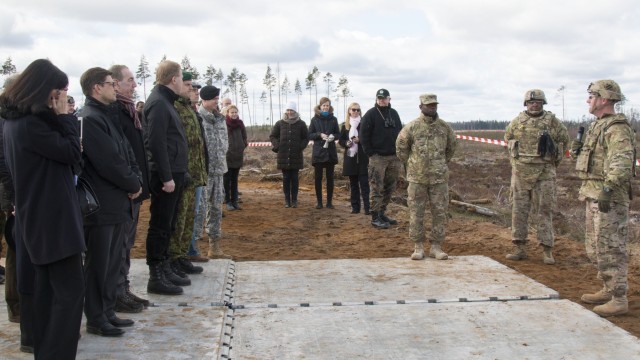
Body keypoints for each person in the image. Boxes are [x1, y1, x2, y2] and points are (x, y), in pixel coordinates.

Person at [0, 58, 85, 358]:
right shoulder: (33, 126)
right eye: (59, 91)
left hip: (39, 218)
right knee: (70, 293)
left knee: (49, 293)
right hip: (53, 221)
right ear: (43, 90)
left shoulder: (15, 122)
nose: (61, 98)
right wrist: (65, 119)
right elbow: (73, 153)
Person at [78, 67, 143, 337]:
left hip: (117, 202)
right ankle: (96, 317)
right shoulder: (90, 118)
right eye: (109, 84)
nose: (113, 88)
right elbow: (109, 162)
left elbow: (126, 152)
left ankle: (106, 311)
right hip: (103, 205)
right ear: (96, 88)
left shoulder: (106, 115)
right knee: (99, 263)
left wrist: (135, 178)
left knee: (112, 260)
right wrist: (132, 183)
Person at [571, 80, 635, 317]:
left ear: (604, 99)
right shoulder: (599, 125)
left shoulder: (616, 127)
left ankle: (619, 298)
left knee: (611, 247)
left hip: (608, 197)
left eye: (591, 96)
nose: (588, 100)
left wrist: (608, 189)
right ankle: (608, 288)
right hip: (593, 193)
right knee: (596, 246)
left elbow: (621, 161)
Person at [504, 89, 569, 265]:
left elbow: (564, 141)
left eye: (538, 103)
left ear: (543, 104)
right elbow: (508, 140)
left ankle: (547, 249)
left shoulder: (552, 121)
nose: (535, 105)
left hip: (544, 172)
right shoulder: (517, 122)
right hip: (521, 173)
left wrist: (553, 162)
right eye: (532, 102)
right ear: (526, 104)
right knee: (519, 211)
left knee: (544, 211)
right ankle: (519, 248)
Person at [143, 60, 189, 295]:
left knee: (168, 224)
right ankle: (156, 275)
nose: (182, 82)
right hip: (165, 177)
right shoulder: (159, 103)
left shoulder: (166, 101)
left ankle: (165, 266)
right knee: (160, 225)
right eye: (181, 77)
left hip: (175, 173)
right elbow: (156, 143)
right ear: (173, 79)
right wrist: (166, 176)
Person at [109, 64, 151, 313]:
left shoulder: (127, 111)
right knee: (119, 245)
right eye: (130, 80)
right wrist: (131, 182)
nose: (135, 85)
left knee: (127, 244)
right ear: (115, 83)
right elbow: (116, 155)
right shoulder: (114, 112)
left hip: (134, 187)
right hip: (123, 191)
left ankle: (122, 288)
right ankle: (115, 293)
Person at [396, 94, 456, 260]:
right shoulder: (412, 127)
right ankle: (418, 247)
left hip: (439, 179)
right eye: (428, 105)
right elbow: (401, 150)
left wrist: (440, 164)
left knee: (440, 212)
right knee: (416, 212)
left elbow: (451, 148)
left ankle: (436, 247)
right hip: (417, 178)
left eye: (434, 105)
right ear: (421, 106)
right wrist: (414, 164)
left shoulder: (444, 128)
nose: (432, 108)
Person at [167, 72, 207, 276]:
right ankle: (174, 258)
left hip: (194, 173)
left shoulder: (189, 109)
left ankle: (182, 256)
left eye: (194, 87)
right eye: (189, 85)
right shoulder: (174, 108)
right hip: (182, 173)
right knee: (179, 219)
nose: (193, 90)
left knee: (189, 217)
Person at [198, 86, 232, 259]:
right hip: (203, 173)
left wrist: (222, 154)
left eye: (217, 99)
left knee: (216, 208)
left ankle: (215, 247)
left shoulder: (219, 118)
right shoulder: (198, 117)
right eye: (213, 99)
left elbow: (224, 140)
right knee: (200, 210)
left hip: (219, 170)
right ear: (204, 99)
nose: (216, 102)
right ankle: (193, 248)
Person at [360, 88, 403, 228]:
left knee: (390, 187)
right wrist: (370, 152)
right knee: (376, 187)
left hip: (393, 157)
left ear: (389, 99)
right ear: (376, 99)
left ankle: (382, 212)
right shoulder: (370, 114)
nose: (382, 100)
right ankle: (374, 216)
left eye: (384, 98)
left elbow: (401, 133)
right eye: (379, 98)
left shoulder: (394, 113)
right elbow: (363, 135)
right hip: (377, 157)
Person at [186, 84, 210, 263]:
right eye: (191, 88)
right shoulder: (179, 111)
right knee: (187, 215)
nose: (195, 92)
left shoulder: (193, 112)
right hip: (187, 173)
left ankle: (191, 249)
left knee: (194, 213)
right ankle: (186, 252)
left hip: (198, 171)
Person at [270, 102, 309, 208]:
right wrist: (277, 146)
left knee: (295, 178)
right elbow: (273, 136)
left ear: (295, 111)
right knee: (286, 178)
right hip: (283, 154)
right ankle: (287, 200)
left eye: (291, 110)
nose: (289, 112)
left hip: (296, 155)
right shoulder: (280, 123)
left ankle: (294, 200)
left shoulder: (301, 124)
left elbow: (306, 137)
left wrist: (300, 147)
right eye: (288, 110)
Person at [308, 97, 340, 209]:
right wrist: (319, 135)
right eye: (324, 105)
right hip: (318, 153)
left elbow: (338, 134)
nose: (326, 107)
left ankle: (329, 202)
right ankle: (319, 202)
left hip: (330, 152)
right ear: (320, 106)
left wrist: (333, 136)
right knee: (318, 178)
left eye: (327, 105)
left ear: (330, 106)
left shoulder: (334, 119)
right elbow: (309, 134)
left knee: (330, 178)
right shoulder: (314, 120)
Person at [339, 102, 370, 214]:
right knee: (353, 185)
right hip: (350, 158)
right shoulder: (345, 125)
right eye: (353, 109)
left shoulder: (364, 123)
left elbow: (368, 138)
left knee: (364, 184)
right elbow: (341, 140)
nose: (356, 112)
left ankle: (367, 208)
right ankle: (355, 208)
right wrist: (346, 143)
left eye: (358, 110)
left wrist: (360, 140)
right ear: (349, 111)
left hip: (362, 158)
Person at [224, 105, 248, 210]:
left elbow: (244, 137)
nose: (234, 114)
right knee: (226, 180)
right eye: (232, 112)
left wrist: (242, 146)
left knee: (235, 180)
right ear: (228, 113)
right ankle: (228, 201)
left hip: (238, 156)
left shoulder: (240, 124)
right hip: (227, 157)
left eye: (235, 112)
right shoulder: (224, 124)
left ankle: (235, 201)